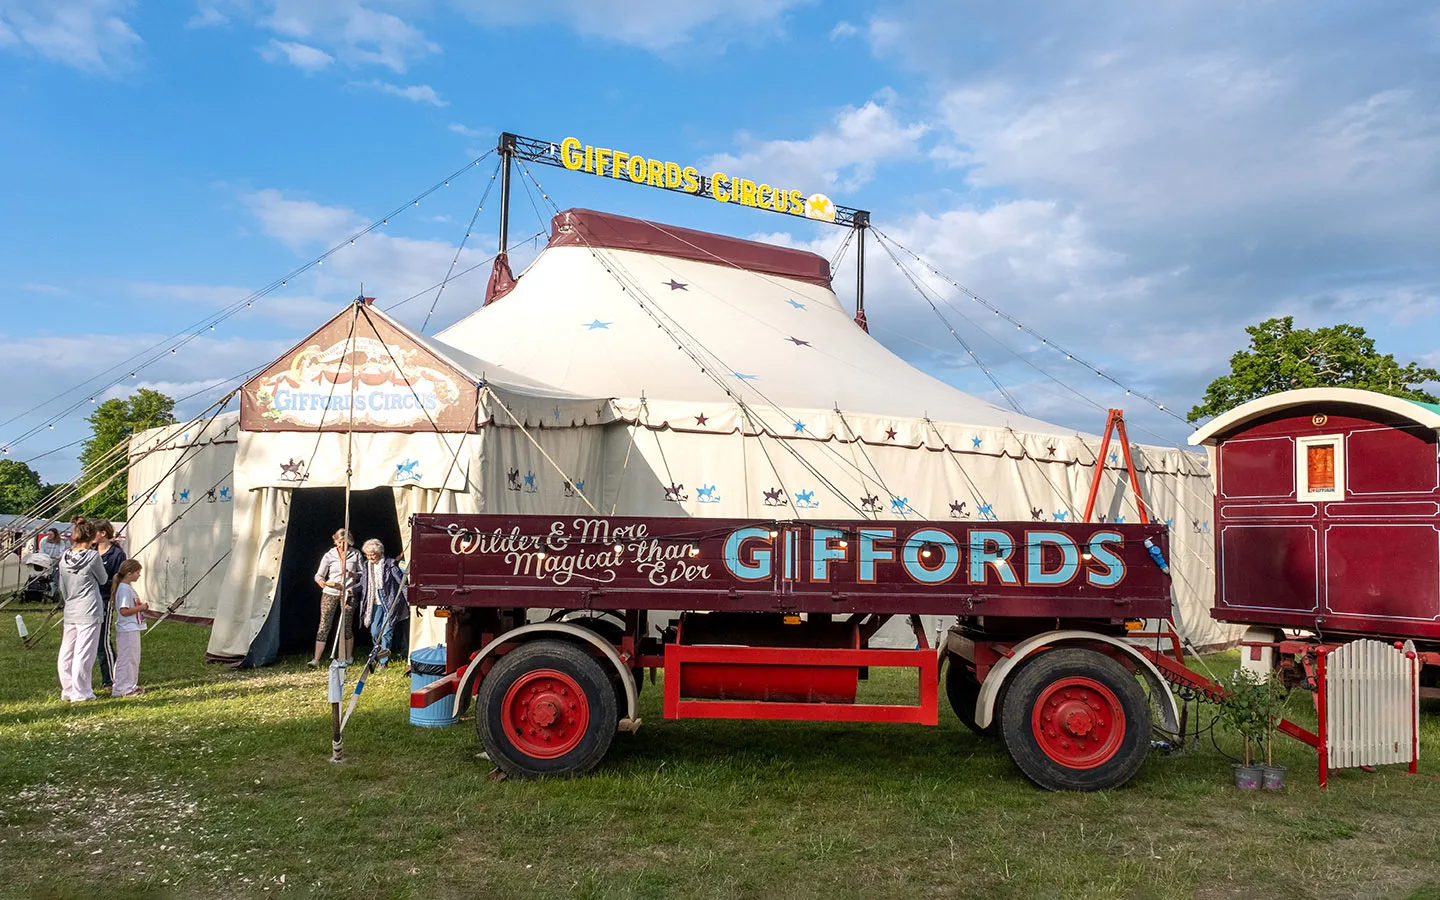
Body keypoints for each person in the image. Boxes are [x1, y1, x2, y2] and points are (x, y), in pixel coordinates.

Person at [56, 519, 107, 702]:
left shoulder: (64, 556)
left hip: (71, 607)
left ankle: (68, 688)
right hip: (89, 608)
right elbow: (102, 579)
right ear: (93, 536)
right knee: (84, 652)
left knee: (67, 651)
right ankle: (82, 691)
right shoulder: (93, 557)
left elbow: (62, 585)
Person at [310, 528, 360, 666]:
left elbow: (363, 573)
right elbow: (319, 575)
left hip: (348, 593)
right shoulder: (329, 555)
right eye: (338, 542)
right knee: (324, 623)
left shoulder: (355, 554)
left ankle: (348, 657)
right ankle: (316, 659)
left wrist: (353, 575)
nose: (340, 545)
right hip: (330, 592)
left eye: (343, 542)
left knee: (347, 624)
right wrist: (321, 582)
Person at [358, 539, 407, 669]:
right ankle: (378, 654)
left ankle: (383, 661)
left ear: (379, 553)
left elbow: (402, 583)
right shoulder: (366, 566)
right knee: (375, 632)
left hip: (390, 601)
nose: (369, 557)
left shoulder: (390, 564)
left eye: (372, 554)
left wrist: (409, 599)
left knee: (386, 632)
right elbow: (363, 583)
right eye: (367, 555)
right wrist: (351, 588)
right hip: (375, 601)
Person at [93, 521, 127, 690]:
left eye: (95, 532)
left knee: (103, 641)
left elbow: (118, 579)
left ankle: (112, 678)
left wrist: (105, 583)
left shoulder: (116, 554)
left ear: (103, 533)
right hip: (90, 599)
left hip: (105, 599)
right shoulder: (90, 552)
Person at [110, 559, 147, 697]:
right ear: (129, 573)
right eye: (137, 572)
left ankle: (130, 684)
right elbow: (124, 610)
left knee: (133, 657)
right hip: (127, 628)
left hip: (131, 627)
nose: (139, 575)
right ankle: (122, 687)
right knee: (127, 658)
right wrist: (141, 608)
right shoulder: (124, 589)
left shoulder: (126, 588)